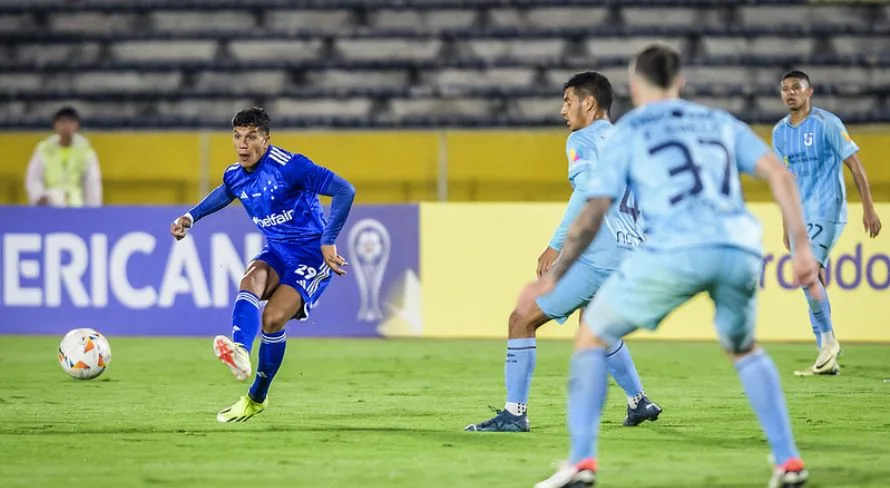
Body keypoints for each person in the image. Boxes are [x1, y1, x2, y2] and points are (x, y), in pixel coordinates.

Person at [527, 44, 814, 488]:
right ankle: (788, 462)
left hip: (677, 248)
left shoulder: (629, 130)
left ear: (636, 86)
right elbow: (781, 175)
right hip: (739, 249)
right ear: (680, 83)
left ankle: (581, 463)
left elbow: (595, 207)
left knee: (591, 333)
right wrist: (802, 252)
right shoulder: (720, 122)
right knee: (745, 349)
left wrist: (556, 272)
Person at [465, 72, 660, 433]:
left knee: (521, 319)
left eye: (568, 101)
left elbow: (587, 190)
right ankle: (639, 402)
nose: (562, 110)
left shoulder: (582, 140)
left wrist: (556, 244)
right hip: (631, 252)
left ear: (589, 102)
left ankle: (514, 413)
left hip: (599, 252)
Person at [170, 107, 356, 423]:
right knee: (252, 278)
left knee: (271, 319)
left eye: (251, 137)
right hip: (277, 252)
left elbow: (344, 190)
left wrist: (328, 240)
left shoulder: (291, 167)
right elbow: (226, 192)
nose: (243, 144)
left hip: (311, 255)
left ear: (266, 139)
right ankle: (240, 350)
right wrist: (190, 216)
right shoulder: (234, 174)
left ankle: (256, 397)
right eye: (237, 137)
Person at [772, 70, 882, 376]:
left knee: (807, 274)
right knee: (811, 279)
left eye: (796, 88)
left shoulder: (827, 124)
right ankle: (826, 353)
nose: (790, 93)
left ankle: (829, 342)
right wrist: (785, 224)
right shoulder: (779, 133)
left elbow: (855, 167)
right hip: (799, 215)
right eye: (785, 89)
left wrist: (869, 209)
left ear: (810, 92)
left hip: (827, 209)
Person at [25, 106, 102, 207]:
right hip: (50, 204)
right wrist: (39, 197)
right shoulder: (44, 149)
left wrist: (93, 210)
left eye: (71, 122)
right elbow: (34, 178)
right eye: (62, 122)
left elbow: (92, 183)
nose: (67, 126)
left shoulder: (86, 151)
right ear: (55, 125)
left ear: (77, 125)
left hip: (76, 206)